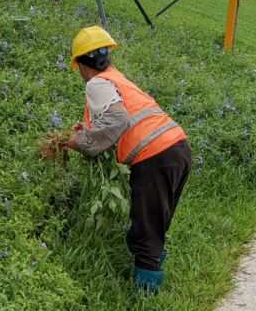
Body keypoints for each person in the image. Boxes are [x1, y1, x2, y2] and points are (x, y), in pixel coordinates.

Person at [65, 26, 191, 294]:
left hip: (153, 156)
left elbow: (118, 121)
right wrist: (90, 132)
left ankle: (145, 300)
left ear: (80, 65)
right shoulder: (115, 79)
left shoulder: (97, 83)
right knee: (156, 222)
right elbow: (121, 121)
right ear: (106, 56)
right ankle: (151, 268)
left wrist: (80, 143)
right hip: (177, 148)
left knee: (146, 227)